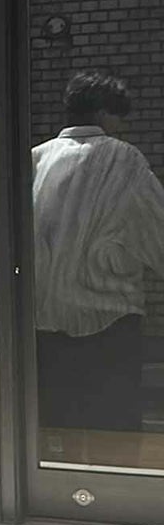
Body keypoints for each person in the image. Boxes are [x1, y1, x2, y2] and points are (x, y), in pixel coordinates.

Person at [32, 69, 164, 436]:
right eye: (119, 116)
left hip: (45, 326)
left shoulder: (36, 159)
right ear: (104, 113)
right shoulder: (124, 159)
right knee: (114, 436)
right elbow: (156, 229)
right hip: (109, 324)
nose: (121, 126)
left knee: (58, 434)